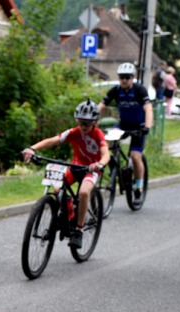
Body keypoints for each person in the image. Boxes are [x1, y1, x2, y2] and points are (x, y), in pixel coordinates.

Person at [21, 100, 110, 249]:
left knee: (83, 193)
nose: (83, 126)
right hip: (75, 166)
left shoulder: (98, 134)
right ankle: (69, 216)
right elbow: (52, 141)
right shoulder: (74, 132)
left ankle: (79, 230)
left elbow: (106, 154)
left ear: (94, 122)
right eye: (81, 122)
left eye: (87, 124)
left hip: (90, 170)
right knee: (56, 189)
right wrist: (31, 149)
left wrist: (99, 164)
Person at [98, 62, 153, 200]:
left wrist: (147, 126)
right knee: (110, 140)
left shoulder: (139, 90)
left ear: (132, 78)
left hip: (139, 125)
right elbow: (101, 106)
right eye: (121, 77)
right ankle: (113, 167)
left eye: (127, 77)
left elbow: (148, 108)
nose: (124, 80)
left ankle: (139, 186)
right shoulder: (116, 90)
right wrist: (93, 121)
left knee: (135, 157)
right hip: (123, 124)